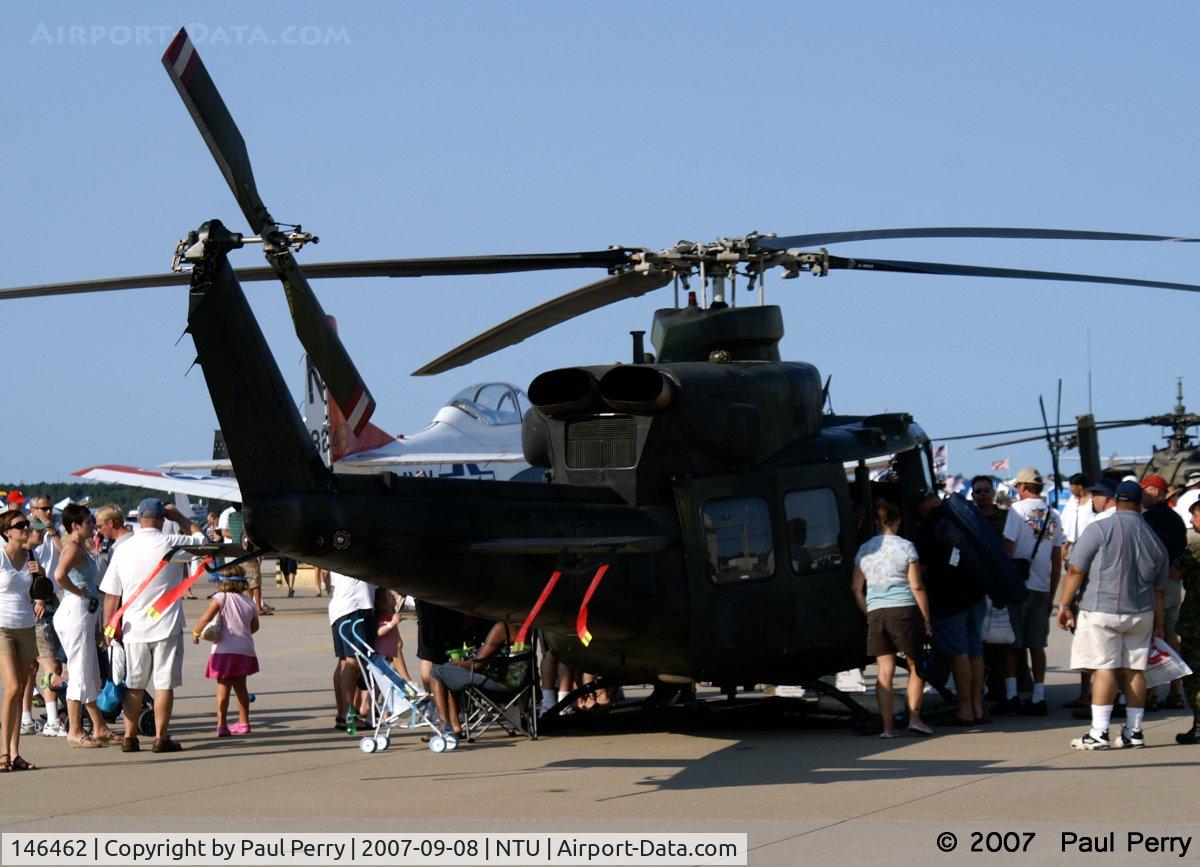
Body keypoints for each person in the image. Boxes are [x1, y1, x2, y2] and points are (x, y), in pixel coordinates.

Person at [1056, 480, 1168, 749]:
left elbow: (1075, 569)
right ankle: (1134, 731)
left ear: (1115, 500)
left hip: (1101, 610)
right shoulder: (1153, 537)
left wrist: (1064, 605)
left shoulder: (1100, 529)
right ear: (1140, 502)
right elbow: (1160, 589)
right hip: (1142, 612)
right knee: (1134, 670)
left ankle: (1099, 732)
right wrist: (1160, 624)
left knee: (1104, 668)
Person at [99, 498, 205, 753]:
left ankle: (129, 736)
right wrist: (180, 518)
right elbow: (202, 540)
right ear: (161, 519)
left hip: (134, 627)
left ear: (139, 518)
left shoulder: (123, 548)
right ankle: (160, 737)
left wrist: (108, 627)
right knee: (163, 684)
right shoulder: (170, 543)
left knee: (135, 684)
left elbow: (112, 594)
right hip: (166, 625)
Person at [851, 500, 933, 737]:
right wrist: (926, 618)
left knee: (884, 670)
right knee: (915, 665)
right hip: (904, 610)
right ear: (898, 521)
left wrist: (869, 612)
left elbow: (856, 588)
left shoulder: (865, 549)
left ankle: (888, 727)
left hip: (877, 612)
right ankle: (914, 718)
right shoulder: (906, 547)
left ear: (877, 523)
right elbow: (916, 586)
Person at [913, 490, 987, 725]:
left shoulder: (926, 529)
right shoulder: (964, 519)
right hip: (976, 594)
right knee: (976, 650)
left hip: (948, 598)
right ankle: (978, 706)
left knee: (959, 653)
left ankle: (965, 708)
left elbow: (921, 570)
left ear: (924, 509)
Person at [995, 467, 1063, 717]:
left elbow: (1008, 549)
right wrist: (1052, 591)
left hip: (1018, 586)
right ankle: (1038, 696)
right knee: (1037, 644)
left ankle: (1012, 695)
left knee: (1012, 643)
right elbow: (1057, 558)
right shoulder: (1054, 515)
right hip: (1042, 586)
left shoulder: (1016, 511)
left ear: (1022, 487)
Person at [52, 504, 118, 747]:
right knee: (79, 671)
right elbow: (59, 575)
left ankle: (99, 727)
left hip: (83, 614)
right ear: (75, 526)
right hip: (76, 612)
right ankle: (75, 730)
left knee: (90, 672)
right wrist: (78, 591)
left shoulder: (79, 547)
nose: (93, 526)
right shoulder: (72, 548)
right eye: (89, 522)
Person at [1140, 473, 1188, 709]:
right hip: (1173, 582)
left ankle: (1151, 694)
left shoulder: (1147, 519)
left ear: (1155, 492)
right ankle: (1176, 691)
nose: (1141, 494)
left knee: (1151, 636)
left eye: (1145, 489)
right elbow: (1181, 549)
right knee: (1171, 635)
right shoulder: (1176, 519)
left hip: (1155, 585)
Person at [191, 569, 259, 737]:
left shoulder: (220, 598)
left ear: (222, 582)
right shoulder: (250, 602)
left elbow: (206, 617)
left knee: (223, 690)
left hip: (223, 651)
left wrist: (196, 632)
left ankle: (222, 726)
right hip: (244, 650)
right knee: (241, 688)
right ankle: (244, 723)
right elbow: (255, 627)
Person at [428, 620, 521, 742]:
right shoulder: (524, 626)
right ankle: (451, 726)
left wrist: (458, 663)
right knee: (447, 672)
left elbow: (477, 665)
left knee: (437, 672)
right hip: (517, 683)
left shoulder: (501, 628)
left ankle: (445, 725)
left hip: (499, 684)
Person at [0, 509, 41, 770]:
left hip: (27, 626)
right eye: (20, 525)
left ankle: (15, 753)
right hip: (2, 627)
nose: (26, 528)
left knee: (23, 689)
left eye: (26, 524)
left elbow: (41, 590)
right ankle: (3, 753)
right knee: (13, 687)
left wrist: (41, 575)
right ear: (7, 532)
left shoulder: (31, 556)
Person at [327, 571, 376, 730]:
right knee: (353, 661)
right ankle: (349, 717)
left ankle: (343, 715)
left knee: (343, 661)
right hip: (355, 607)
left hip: (341, 607)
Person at [1174, 500, 1200, 744]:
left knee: (1195, 675)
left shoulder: (1194, 549)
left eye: (1195, 516)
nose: (1191, 522)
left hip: (1197, 623)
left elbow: (1173, 573)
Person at [373, 587, 413, 683]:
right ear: (383, 605)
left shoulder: (389, 616)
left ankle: (404, 686)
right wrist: (391, 624)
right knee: (383, 682)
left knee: (391, 677)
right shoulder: (383, 618)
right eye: (392, 599)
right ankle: (408, 685)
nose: (395, 600)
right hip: (382, 656)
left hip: (389, 655)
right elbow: (378, 632)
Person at [1061, 473, 1095, 565]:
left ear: (1080, 486)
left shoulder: (1093, 501)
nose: (1070, 489)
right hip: (1075, 545)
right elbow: (1070, 526)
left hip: (1091, 545)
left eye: (1072, 486)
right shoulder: (1072, 500)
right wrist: (1066, 546)